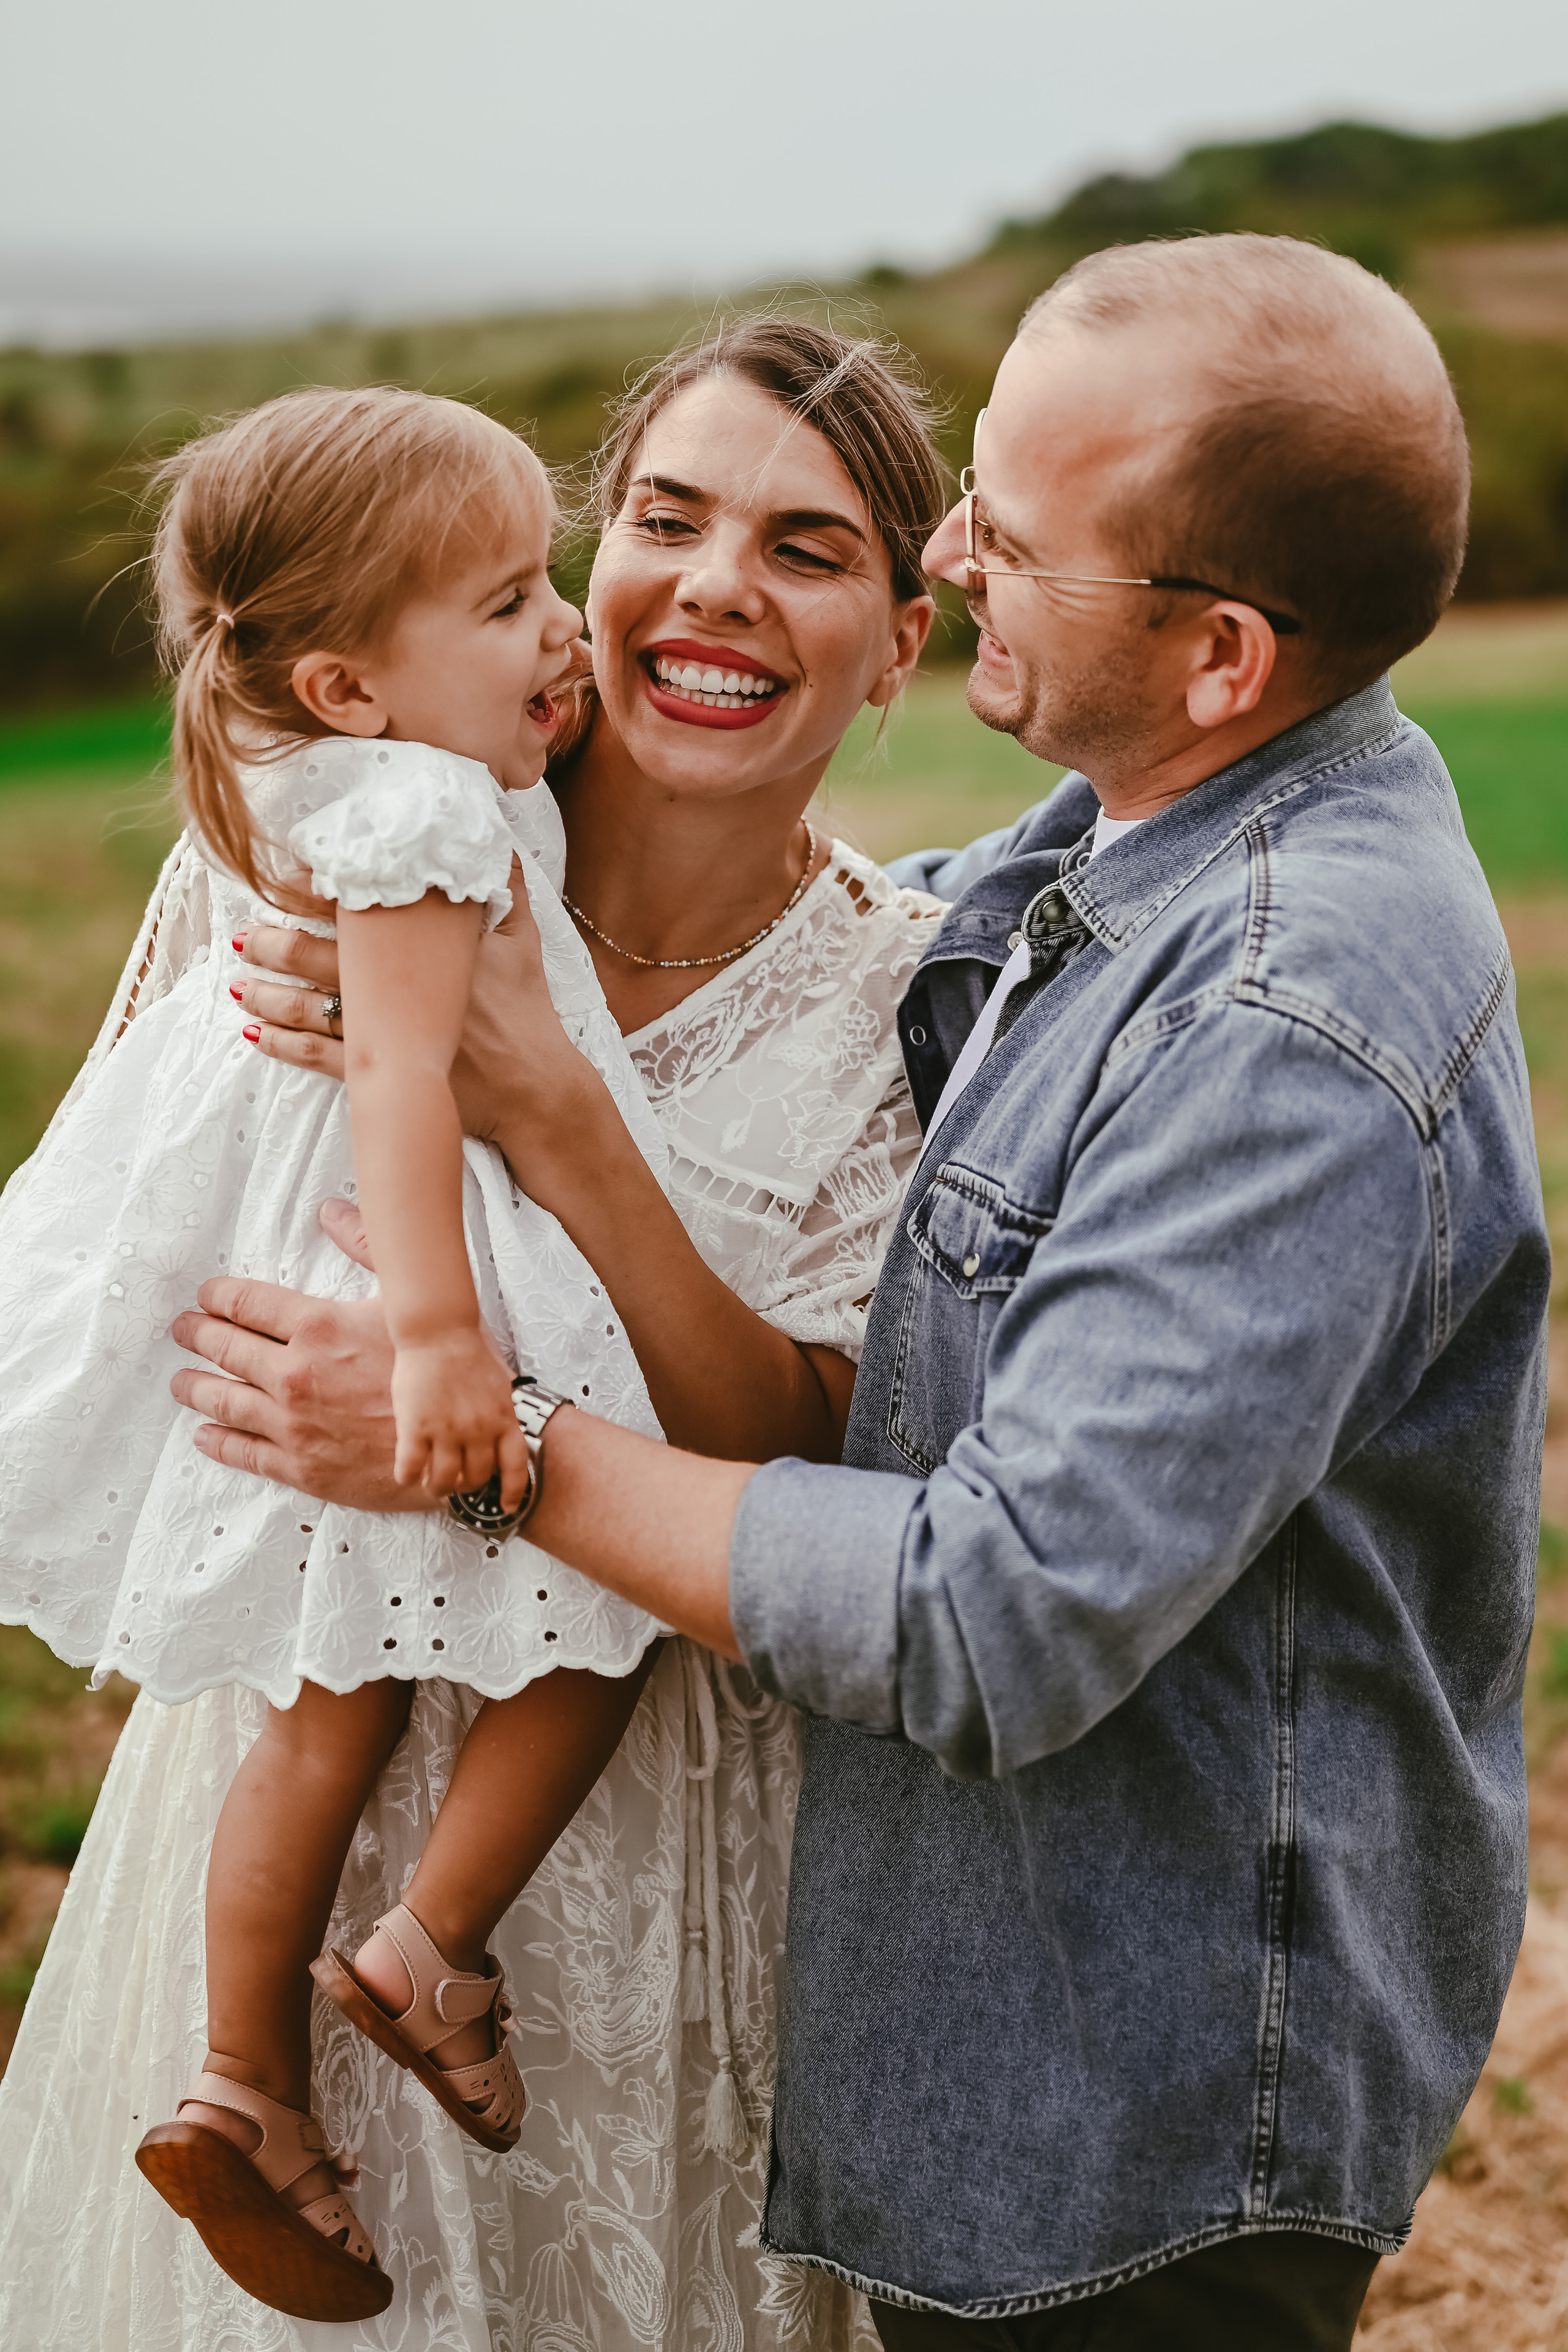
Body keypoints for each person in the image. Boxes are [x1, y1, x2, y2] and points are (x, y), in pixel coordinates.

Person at [164, 235, 1549, 2350]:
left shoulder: (1283, 1010)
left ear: (1221, 659)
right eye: (656, 520)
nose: (974, 540)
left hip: (1127, 2081)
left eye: (1008, 531)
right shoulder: (1090, 865)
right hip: (894, 1970)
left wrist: (487, 1427)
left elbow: (990, 1605)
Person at [0, 318, 946, 2351]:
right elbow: (153, 1225)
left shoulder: (910, 999)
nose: (713, 584)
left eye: (808, 548)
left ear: (905, 637)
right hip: (300, 1736)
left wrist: (553, 1133)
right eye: (666, 519)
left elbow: (817, 1460)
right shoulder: (341, 847)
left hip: (673, 1836)